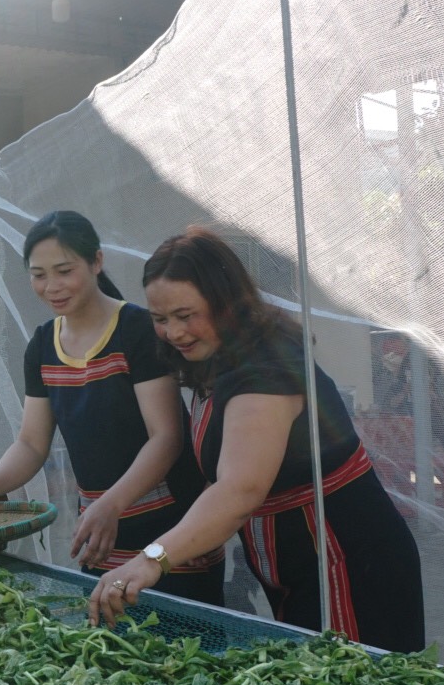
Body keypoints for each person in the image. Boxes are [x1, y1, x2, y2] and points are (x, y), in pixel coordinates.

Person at [90, 227, 425, 653]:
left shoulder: (267, 366)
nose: (174, 332)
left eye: (185, 315)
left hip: (347, 562)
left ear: (226, 303)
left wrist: (153, 557)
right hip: (293, 564)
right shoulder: (212, 357)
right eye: (160, 319)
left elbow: (240, 488)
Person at [0, 211, 222, 605]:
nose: (51, 286)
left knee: (185, 649)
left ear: (96, 262)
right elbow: (31, 444)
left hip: (168, 530)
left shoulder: (137, 329)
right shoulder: (42, 345)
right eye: (39, 275)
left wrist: (111, 504)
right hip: (100, 534)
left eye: (64, 270)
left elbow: (166, 438)